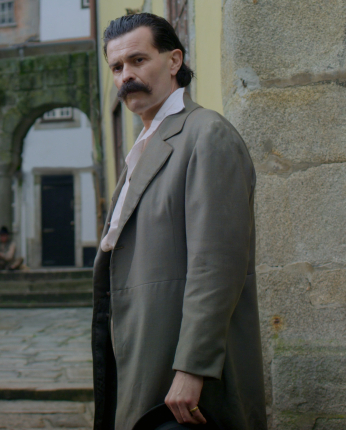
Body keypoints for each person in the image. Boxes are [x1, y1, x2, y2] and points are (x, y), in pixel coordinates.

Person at [92, 13, 266, 430]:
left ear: (174, 61)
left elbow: (217, 265)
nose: (125, 76)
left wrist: (192, 367)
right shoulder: (145, 145)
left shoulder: (207, 134)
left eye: (138, 60)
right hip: (142, 349)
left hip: (182, 371)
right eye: (116, 67)